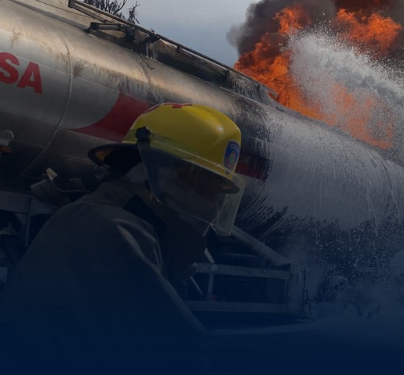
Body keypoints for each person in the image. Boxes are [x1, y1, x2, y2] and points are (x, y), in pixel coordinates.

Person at [0, 103, 246, 375]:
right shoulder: (110, 230)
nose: (212, 204)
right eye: (210, 188)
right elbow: (175, 352)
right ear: (175, 178)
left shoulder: (113, 223)